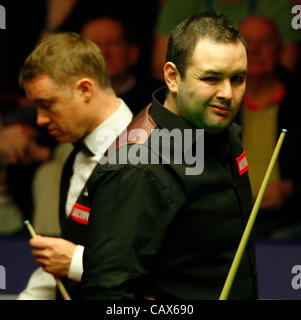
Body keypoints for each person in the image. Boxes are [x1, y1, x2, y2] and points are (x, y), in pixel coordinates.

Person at [81, 13, 257, 300]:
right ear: (173, 77)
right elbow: (107, 296)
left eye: (237, 79)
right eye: (211, 78)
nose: (228, 93)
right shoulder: (136, 168)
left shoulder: (224, 134)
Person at [17, 32, 133, 299]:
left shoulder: (149, 154)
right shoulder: (75, 157)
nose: (40, 120)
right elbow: (61, 263)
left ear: (85, 89)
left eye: (47, 105)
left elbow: (164, 270)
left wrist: (77, 261)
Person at [238, 15, 301, 239]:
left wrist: (292, 190)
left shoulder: (297, 99)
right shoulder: (216, 101)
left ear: (280, 49)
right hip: (230, 221)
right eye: (246, 42)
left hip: (289, 221)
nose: (254, 50)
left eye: (264, 42)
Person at [152, 0, 301, 81]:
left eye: (265, 41)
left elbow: (286, 71)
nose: (254, 49)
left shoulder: (280, 5)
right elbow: (162, 68)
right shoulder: (180, 4)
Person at [81, 16, 162, 116]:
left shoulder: (159, 99)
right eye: (94, 45)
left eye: (113, 44)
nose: (103, 52)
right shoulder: (74, 100)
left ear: (133, 52)